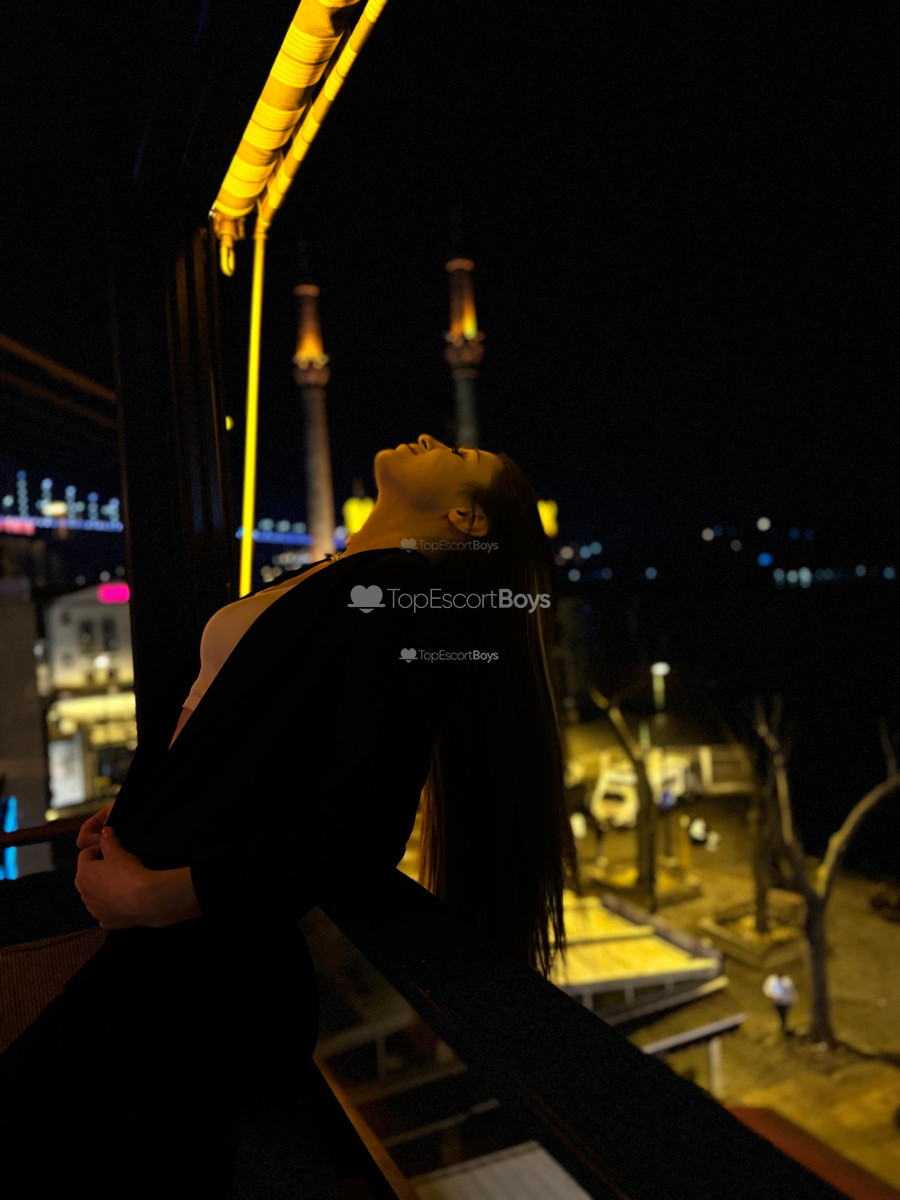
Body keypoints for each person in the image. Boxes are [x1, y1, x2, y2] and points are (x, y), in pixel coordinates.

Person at [0, 434, 573, 1197]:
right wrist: (143, 806)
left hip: (202, 971)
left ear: (467, 517)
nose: (436, 438)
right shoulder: (344, 578)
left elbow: (360, 827)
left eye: (464, 456)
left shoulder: (401, 596)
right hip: (166, 956)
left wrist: (158, 893)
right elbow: (256, 743)